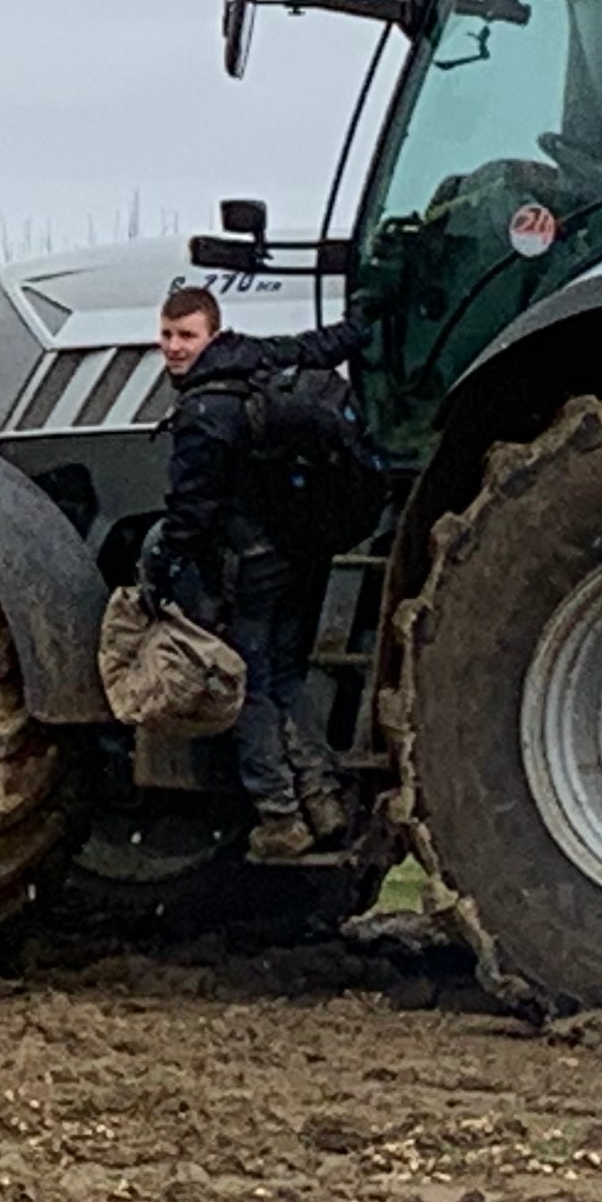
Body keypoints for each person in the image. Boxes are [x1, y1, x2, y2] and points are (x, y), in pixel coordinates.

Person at [142, 283, 364, 863]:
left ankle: (281, 818)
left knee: (249, 688)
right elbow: (314, 347)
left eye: (185, 335)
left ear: (210, 333)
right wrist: (360, 325)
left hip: (248, 565)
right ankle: (324, 797)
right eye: (166, 335)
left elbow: (191, 513)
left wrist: (162, 575)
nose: (173, 347)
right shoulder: (255, 361)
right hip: (297, 552)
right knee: (287, 677)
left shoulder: (203, 412)